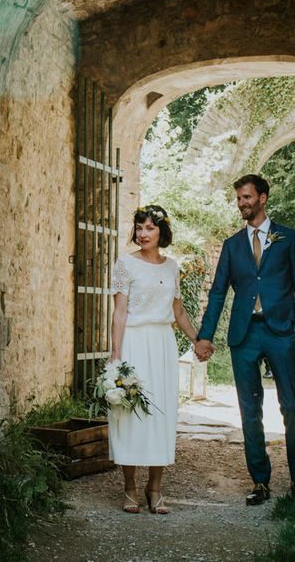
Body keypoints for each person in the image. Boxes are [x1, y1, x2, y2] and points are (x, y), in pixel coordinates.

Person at [195, 174, 295, 505]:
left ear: (262, 198)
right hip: (245, 334)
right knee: (250, 409)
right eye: (238, 199)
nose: (242, 204)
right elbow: (218, 293)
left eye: (247, 197)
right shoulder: (233, 245)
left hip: (280, 332)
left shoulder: (288, 238)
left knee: (291, 406)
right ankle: (260, 482)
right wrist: (205, 336)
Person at [109, 204, 198, 515]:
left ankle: (155, 488)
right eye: (139, 227)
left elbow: (178, 312)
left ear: (162, 232)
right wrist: (116, 354)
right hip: (134, 341)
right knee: (130, 412)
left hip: (162, 345)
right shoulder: (125, 265)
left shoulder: (172, 267)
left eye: (149, 228)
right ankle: (131, 487)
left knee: (161, 413)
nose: (142, 233)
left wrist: (197, 340)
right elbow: (119, 312)